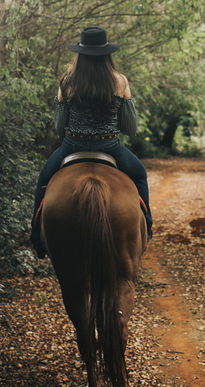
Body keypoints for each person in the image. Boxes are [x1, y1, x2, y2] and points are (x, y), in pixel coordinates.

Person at [30, 27, 152, 259]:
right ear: (107, 53)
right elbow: (130, 128)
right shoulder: (120, 81)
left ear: (80, 53)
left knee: (43, 180)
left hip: (71, 146)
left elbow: (59, 126)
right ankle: (146, 230)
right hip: (110, 148)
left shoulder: (67, 81)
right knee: (139, 175)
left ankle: (37, 238)